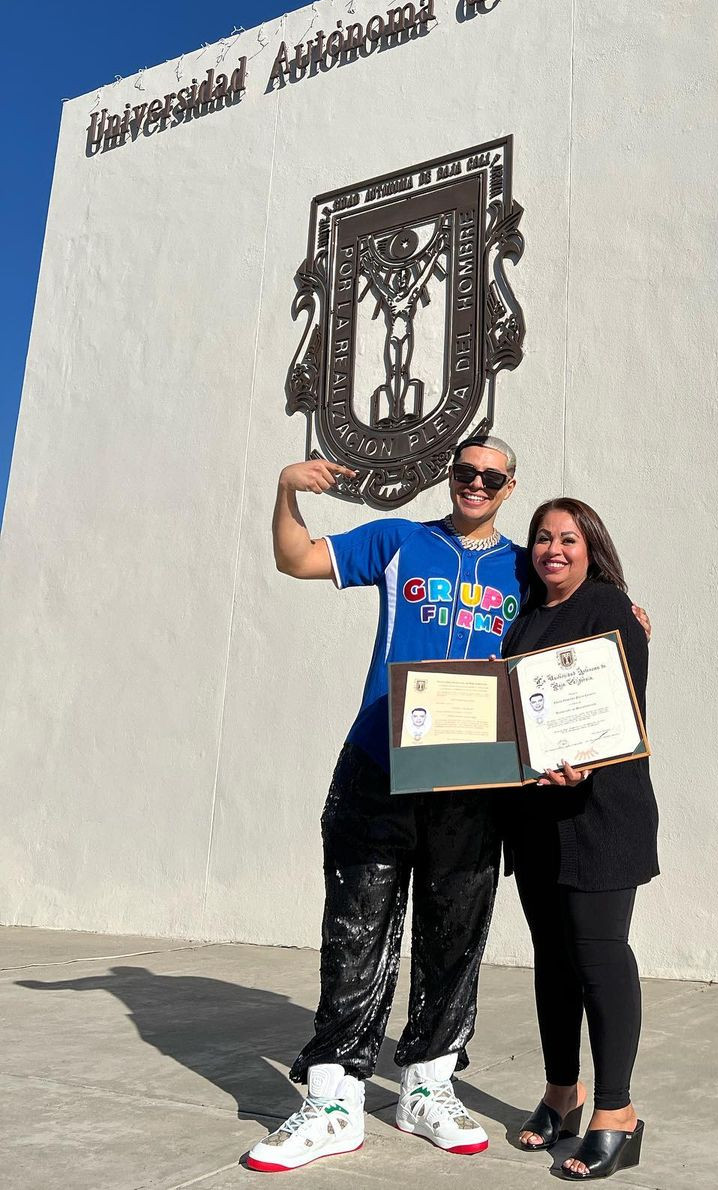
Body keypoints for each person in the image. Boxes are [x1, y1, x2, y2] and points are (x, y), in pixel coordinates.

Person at [246, 436, 527, 1173]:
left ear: (509, 487)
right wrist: (286, 489)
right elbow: (295, 558)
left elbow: (582, 618)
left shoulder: (525, 567)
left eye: (490, 476)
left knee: (454, 935)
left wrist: (629, 615)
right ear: (449, 476)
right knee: (355, 931)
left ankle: (428, 1086)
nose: (475, 483)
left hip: (474, 781)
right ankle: (333, 1100)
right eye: (464, 471)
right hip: (380, 762)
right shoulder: (400, 540)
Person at [502, 498, 659, 1182]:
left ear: (591, 547)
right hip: (536, 818)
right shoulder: (525, 620)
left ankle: (617, 1112)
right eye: (542, 538)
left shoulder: (610, 609)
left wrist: (587, 760)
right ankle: (562, 1094)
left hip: (601, 815)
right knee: (553, 960)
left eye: (568, 538)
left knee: (598, 955)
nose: (553, 549)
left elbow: (623, 709)